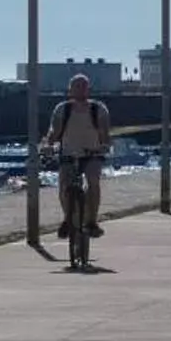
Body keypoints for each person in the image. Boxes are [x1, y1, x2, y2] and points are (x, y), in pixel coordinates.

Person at [42, 72, 111, 239]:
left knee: (93, 181)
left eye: (83, 86)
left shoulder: (98, 108)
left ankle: (92, 222)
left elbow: (104, 130)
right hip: (68, 153)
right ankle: (67, 219)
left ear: (88, 89)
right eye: (77, 86)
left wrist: (105, 145)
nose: (80, 90)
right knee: (64, 185)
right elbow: (54, 130)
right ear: (70, 90)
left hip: (92, 153)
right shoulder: (62, 108)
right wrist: (48, 145)